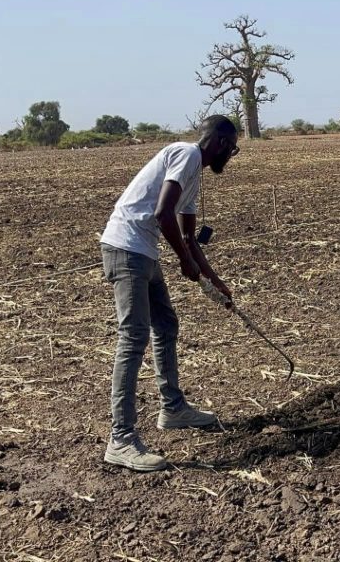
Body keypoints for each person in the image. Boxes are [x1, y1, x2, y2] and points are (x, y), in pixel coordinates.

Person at [98, 115, 238, 472]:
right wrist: (184, 262)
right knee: (133, 337)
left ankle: (173, 408)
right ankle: (121, 439)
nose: (231, 155)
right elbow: (162, 214)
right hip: (126, 248)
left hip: (144, 251)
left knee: (166, 324)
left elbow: (189, 237)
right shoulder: (187, 154)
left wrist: (214, 280)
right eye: (232, 148)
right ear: (220, 142)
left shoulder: (193, 177)